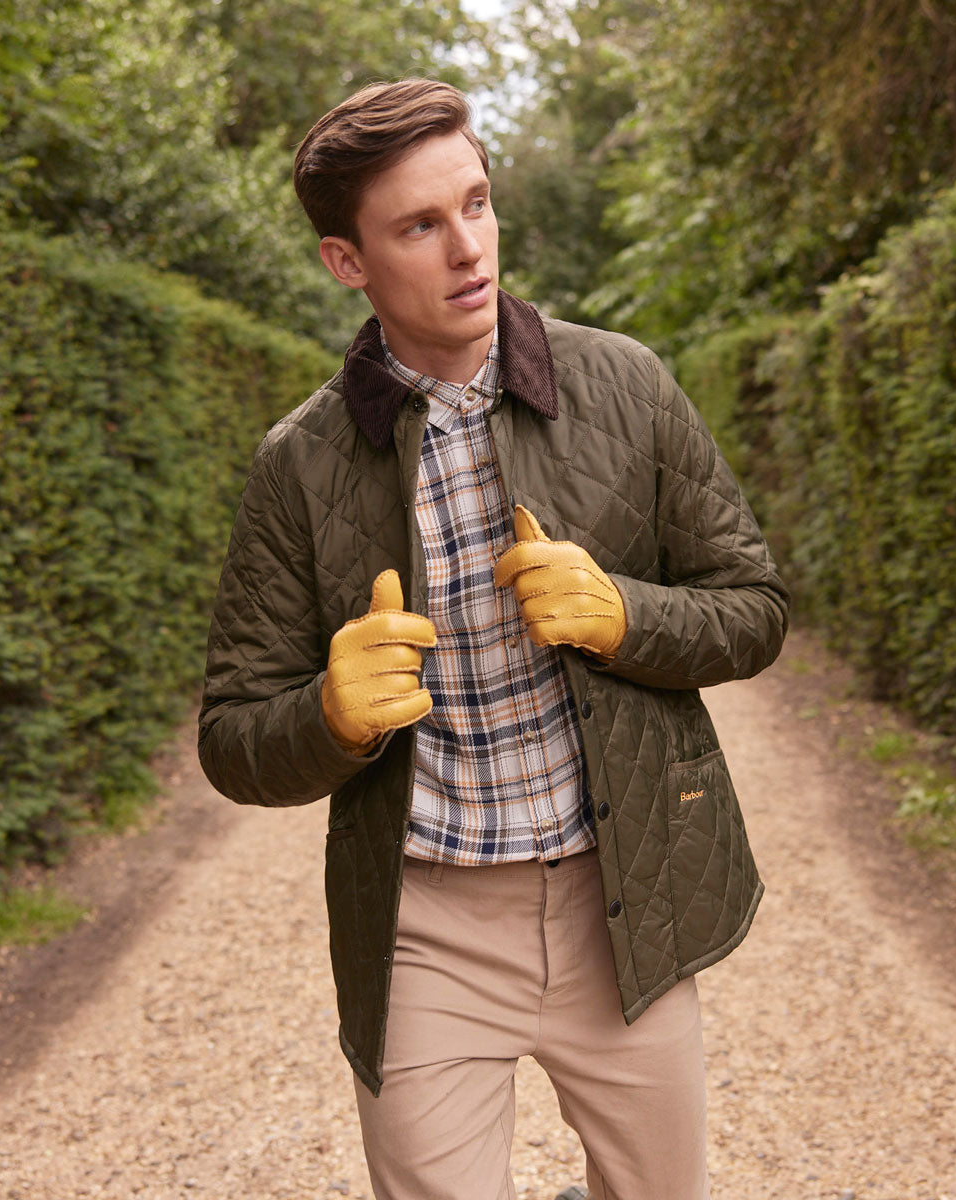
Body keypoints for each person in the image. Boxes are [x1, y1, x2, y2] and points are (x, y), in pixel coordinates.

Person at [198, 78, 789, 1200]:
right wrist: (325, 717)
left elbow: (753, 607)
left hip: (624, 903)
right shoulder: (300, 464)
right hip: (425, 929)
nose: (468, 247)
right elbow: (232, 737)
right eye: (421, 225)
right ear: (347, 261)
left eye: (476, 203)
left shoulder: (626, 382)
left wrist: (627, 616)